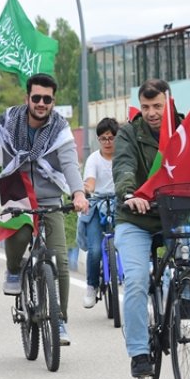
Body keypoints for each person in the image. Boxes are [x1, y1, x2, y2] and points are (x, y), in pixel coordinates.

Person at [114, 79, 190, 378]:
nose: (152, 113)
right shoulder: (129, 132)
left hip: (177, 214)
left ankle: (180, 296)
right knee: (137, 280)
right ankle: (140, 351)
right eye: (145, 107)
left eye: (157, 106)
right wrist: (130, 194)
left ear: (170, 103)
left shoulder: (185, 129)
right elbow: (124, 166)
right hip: (137, 218)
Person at [0, 73, 88, 345]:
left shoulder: (60, 129)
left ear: (53, 101)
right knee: (21, 235)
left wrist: (79, 192)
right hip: (18, 197)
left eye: (46, 99)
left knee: (60, 261)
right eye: (36, 98)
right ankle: (14, 269)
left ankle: (59, 320)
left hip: (50, 201)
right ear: (27, 98)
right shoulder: (9, 122)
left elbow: (70, 163)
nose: (40, 103)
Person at [78, 117, 119, 308]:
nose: (107, 142)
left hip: (120, 204)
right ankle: (91, 286)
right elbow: (91, 182)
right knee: (95, 250)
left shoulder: (123, 157)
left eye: (111, 138)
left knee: (127, 244)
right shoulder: (93, 159)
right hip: (96, 203)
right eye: (103, 138)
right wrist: (85, 190)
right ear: (98, 140)